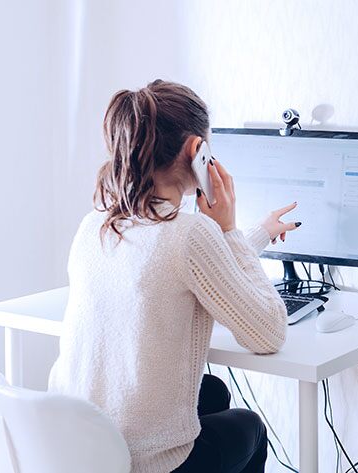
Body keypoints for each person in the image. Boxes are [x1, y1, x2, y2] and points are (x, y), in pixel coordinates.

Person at [48, 79, 299, 473]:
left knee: (212, 392)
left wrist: (258, 233)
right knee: (250, 427)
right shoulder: (190, 234)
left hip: (82, 450)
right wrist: (228, 230)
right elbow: (269, 333)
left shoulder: (95, 224)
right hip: (143, 462)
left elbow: (197, 269)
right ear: (197, 150)